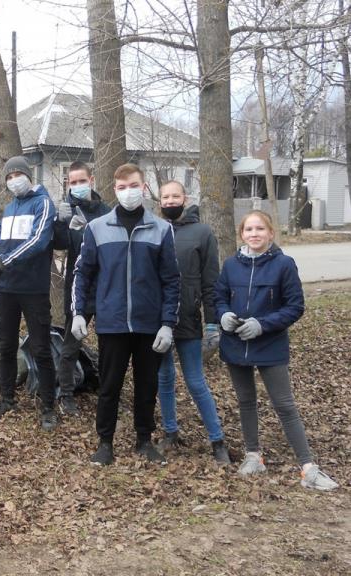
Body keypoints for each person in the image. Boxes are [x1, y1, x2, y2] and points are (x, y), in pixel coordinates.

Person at [215, 210, 338, 490]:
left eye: (260, 228)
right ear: (241, 234)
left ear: (271, 233)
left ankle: (308, 468)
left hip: (270, 344)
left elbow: (295, 306)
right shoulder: (231, 265)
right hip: (236, 344)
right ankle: (253, 456)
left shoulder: (284, 264)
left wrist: (263, 325)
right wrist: (223, 315)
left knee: (284, 405)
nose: (254, 234)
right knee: (246, 401)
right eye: (249, 229)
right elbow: (219, 297)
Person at [72, 163, 179, 465]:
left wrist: (168, 323)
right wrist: (78, 312)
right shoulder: (97, 228)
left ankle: (144, 440)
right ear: (114, 190)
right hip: (112, 322)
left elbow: (172, 280)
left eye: (133, 186)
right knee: (109, 386)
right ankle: (105, 443)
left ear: (143, 188)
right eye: (121, 187)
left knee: (147, 386)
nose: (128, 192)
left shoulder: (161, 229)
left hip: (149, 324)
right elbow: (83, 273)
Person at [0, 155, 58, 431]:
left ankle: (48, 407)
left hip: (33, 290)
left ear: (28, 176)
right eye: (8, 177)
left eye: (17, 175)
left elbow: (38, 241)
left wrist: (3, 263)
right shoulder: (9, 209)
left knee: (41, 349)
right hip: (5, 289)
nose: (13, 180)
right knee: (6, 346)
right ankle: (7, 399)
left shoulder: (43, 203)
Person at [155, 181, 230, 464]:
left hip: (188, 318)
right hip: (158, 320)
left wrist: (212, 322)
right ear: (159, 201)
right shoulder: (155, 229)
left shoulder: (202, 232)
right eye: (165, 196)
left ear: (184, 198)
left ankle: (217, 440)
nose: (170, 201)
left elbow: (211, 282)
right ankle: (170, 432)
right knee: (164, 377)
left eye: (175, 196)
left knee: (196, 381)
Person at [53, 161, 110, 416]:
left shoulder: (106, 212)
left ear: (91, 180)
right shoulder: (67, 210)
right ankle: (65, 394)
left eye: (81, 181)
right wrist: (60, 222)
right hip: (79, 287)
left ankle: (108, 391)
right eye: (73, 182)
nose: (77, 186)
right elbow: (60, 245)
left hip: (106, 287)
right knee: (71, 344)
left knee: (110, 346)